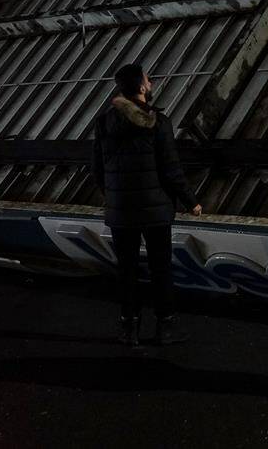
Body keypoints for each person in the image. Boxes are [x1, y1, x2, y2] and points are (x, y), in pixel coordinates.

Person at [94, 63, 202, 347]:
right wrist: (191, 201)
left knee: (127, 270)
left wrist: (114, 196)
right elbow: (170, 169)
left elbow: (97, 167)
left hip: (120, 211)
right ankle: (166, 327)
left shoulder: (104, 121)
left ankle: (129, 330)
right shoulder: (158, 122)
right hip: (155, 210)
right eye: (148, 80)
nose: (151, 83)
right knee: (160, 269)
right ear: (141, 87)